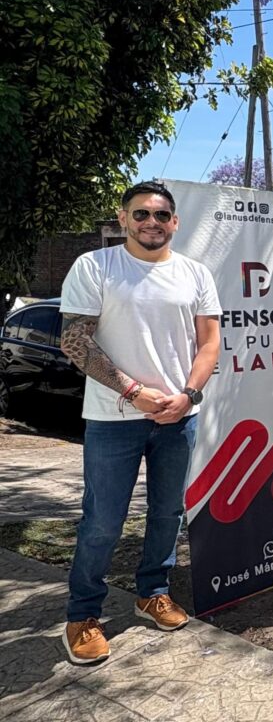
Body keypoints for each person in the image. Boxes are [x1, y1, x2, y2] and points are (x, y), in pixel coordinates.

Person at [58, 181, 220, 665]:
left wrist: (187, 395)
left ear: (176, 222)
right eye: (142, 214)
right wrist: (134, 391)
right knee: (103, 522)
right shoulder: (95, 267)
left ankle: (153, 591)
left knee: (168, 515)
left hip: (178, 418)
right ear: (124, 218)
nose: (153, 222)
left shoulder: (195, 273)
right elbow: (75, 342)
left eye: (162, 215)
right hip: (113, 419)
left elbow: (209, 344)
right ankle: (83, 614)